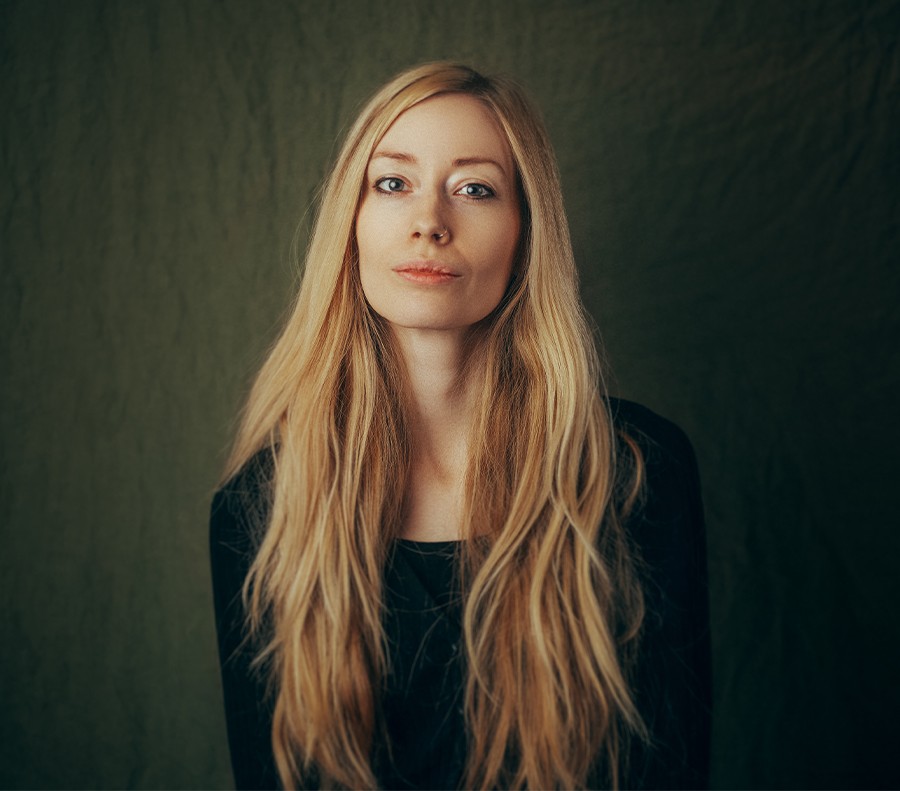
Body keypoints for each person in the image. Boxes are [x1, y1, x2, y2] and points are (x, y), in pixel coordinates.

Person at [210, 62, 710, 790]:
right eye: (392, 182)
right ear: (350, 223)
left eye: (475, 189)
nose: (429, 222)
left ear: (526, 234)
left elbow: (674, 768)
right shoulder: (262, 505)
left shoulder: (636, 471)